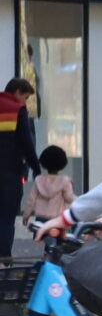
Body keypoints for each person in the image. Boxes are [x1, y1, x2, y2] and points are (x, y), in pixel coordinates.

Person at [0, 79, 36, 259]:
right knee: (6, 218)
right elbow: (27, 144)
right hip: (9, 174)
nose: (25, 102)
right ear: (17, 92)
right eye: (26, 97)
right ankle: (4, 259)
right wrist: (36, 168)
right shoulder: (16, 111)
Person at [21, 147, 73, 244]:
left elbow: (31, 200)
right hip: (59, 219)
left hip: (41, 219)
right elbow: (69, 197)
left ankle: (45, 257)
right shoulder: (65, 181)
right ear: (63, 163)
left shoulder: (39, 180)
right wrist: (81, 202)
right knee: (62, 245)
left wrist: (26, 215)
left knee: (43, 245)